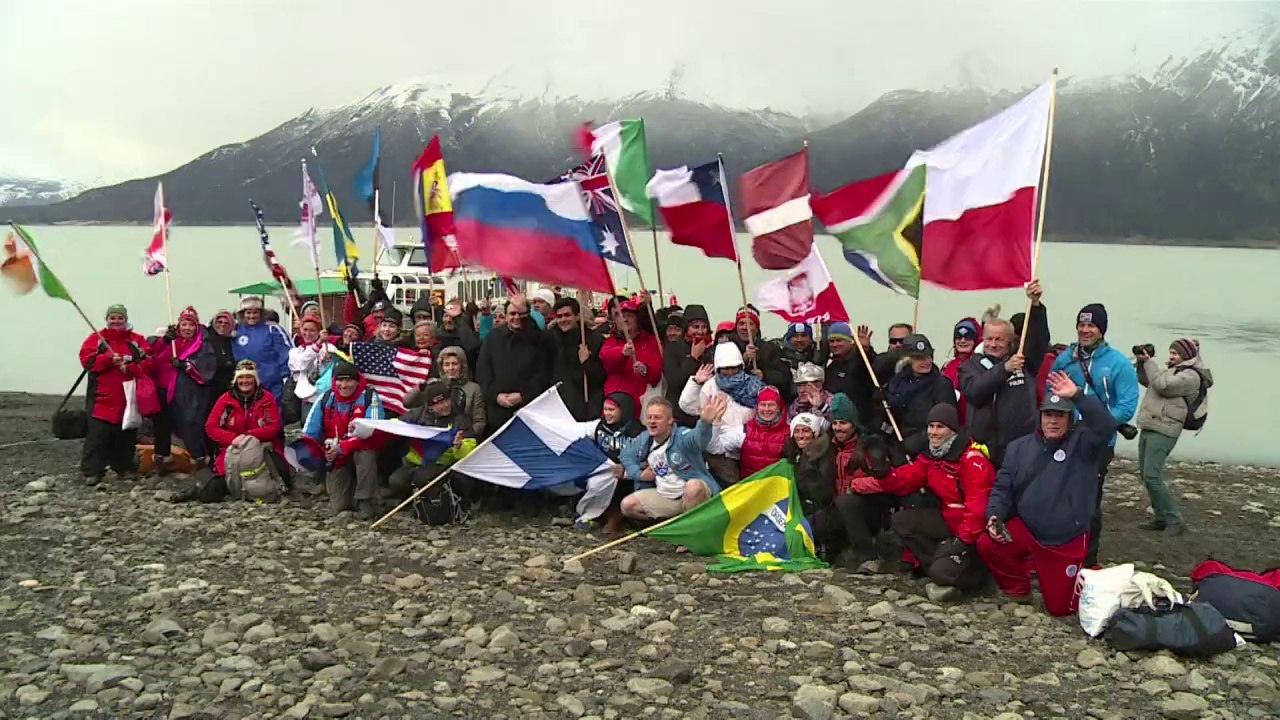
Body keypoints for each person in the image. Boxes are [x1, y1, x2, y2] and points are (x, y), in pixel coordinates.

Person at [978, 371, 1118, 616]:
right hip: (1028, 530)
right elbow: (1002, 487)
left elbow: (1106, 426)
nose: (1053, 421)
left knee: (1060, 609)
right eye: (1048, 415)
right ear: (1040, 416)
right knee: (989, 544)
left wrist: (1077, 395)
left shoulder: (1084, 443)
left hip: (1064, 539)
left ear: (1070, 418)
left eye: (1060, 416)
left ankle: (1095, 579)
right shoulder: (1018, 447)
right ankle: (1018, 589)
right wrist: (994, 515)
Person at [855, 404, 995, 595]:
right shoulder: (933, 457)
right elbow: (904, 480)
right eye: (931, 426)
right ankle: (941, 564)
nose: (933, 432)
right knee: (902, 521)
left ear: (953, 430)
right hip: (950, 522)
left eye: (940, 427)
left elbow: (978, 510)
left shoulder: (972, 461)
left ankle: (976, 575)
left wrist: (961, 541)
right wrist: (883, 472)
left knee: (943, 571)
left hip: (975, 534)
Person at [1047, 303, 1139, 565]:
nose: (1085, 330)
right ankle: (1058, 549)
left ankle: (1088, 559)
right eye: (1082, 325)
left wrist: (1098, 423)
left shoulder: (1119, 363)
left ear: (1102, 330)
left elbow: (1126, 406)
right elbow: (1050, 394)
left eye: (1091, 326)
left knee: (1089, 499)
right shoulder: (1065, 360)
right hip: (1066, 438)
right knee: (1058, 493)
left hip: (1099, 442)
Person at [806, 393, 897, 569]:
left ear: (854, 424)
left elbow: (887, 481)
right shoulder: (828, 447)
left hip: (870, 510)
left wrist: (856, 486)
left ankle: (869, 557)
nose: (838, 428)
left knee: (846, 502)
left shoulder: (870, 446)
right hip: (839, 508)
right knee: (806, 525)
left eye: (843, 423)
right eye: (835, 423)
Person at [1134, 338, 1211, 538]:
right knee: (1146, 475)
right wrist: (1142, 364)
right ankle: (1160, 517)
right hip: (1151, 423)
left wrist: (1149, 362)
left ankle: (1174, 519)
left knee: (1152, 475)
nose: (1171, 356)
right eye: (1171, 352)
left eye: (1175, 353)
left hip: (1165, 428)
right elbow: (1149, 382)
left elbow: (1163, 386)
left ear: (1185, 355)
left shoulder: (1191, 376)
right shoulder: (1173, 370)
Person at [78, 304, 152, 485]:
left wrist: (130, 367)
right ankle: (92, 472)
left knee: (126, 436)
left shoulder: (137, 340)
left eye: (120, 318)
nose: (116, 321)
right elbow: (86, 360)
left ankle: (124, 468)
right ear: (107, 319)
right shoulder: (97, 339)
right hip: (101, 398)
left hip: (129, 399)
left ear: (126, 320)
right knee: (97, 437)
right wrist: (108, 359)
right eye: (113, 318)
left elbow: (149, 362)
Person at [302, 360, 385, 517]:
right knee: (340, 507)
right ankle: (350, 491)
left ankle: (366, 500)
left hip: (361, 448)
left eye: (349, 380)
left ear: (357, 381)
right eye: (340, 380)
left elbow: (372, 430)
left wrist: (342, 447)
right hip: (336, 455)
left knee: (365, 454)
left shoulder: (369, 397)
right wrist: (319, 451)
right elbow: (309, 432)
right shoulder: (326, 398)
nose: (344, 385)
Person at [619, 395, 723, 521]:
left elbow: (698, 440)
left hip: (692, 495)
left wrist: (705, 423)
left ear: (670, 420)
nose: (652, 421)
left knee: (694, 487)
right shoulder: (644, 438)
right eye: (649, 417)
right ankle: (667, 524)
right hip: (666, 496)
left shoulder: (682, 436)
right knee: (627, 505)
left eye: (657, 417)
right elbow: (625, 455)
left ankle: (691, 527)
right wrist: (638, 474)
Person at [959, 318, 1038, 467]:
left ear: (1010, 341)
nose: (993, 344)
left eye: (999, 339)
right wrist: (1004, 369)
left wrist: (1037, 309)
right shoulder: (969, 366)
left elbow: (1038, 339)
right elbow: (975, 392)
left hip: (1019, 446)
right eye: (989, 339)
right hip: (986, 449)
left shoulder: (1023, 361)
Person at [201, 360, 284, 500]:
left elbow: (274, 427)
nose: (245, 381)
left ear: (255, 379)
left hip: (262, 448)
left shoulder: (266, 399)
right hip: (232, 449)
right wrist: (232, 438)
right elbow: (211, 427)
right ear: (236, 380)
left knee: (279, 474)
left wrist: (247, 437)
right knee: (214, 488)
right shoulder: (225, 400)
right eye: (241, 377)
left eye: (249, 377)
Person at [680, 343, 761, 486]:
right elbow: (687, 406)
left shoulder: (753, 383)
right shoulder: (710, 386)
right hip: (720, 447)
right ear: (718, 368)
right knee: (732, 486)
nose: (730, 372)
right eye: (725, 368)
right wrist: (696, 383)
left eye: (734, 367)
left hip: (748, 442)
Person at [149, 306, 217, 473]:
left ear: (196, 326)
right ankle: (162, 459)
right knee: (162, 426)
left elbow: (206, 368)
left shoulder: (202, 344)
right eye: (184, 324)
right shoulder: (171, 341)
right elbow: (152, 358)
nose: (187, 328)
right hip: (163, 389)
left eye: (191, 325)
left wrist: (185, 365)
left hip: (188, 393)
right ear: (178, 326)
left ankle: (198, 460)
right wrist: (165, 341)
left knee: (190, 424)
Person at [387, 379, 476, 503]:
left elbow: (470, 450)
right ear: (430, 407)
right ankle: (410, 499)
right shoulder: (417, 415)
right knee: (395, 481)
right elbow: (395, 425)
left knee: (422, 478)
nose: (445, 405)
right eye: (439, 403)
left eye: (447, 400)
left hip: (443, 465)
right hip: (415, 462)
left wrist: (459, 446)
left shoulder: (460, 419)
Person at [475, 293, 553, 431]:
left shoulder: (538, 339)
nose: (516, 317)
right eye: (512, 313)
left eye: (520, 314)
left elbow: (543, 373)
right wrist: (495, 395)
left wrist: (523, 395)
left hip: (529, 410)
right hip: (498, 412)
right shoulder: (493, 337)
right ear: (506, 316)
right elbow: (483, 371)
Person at [882, 334, 958, 457]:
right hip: (896, 445)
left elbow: (945, 424)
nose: (926, 362)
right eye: (919, 358)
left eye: (928, 356)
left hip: (925, 450)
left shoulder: (942, 385)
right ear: (908, 360)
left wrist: (911, 445)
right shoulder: (897, 382)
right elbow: (891, 418)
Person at [580, 392, 645, 536]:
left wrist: (625, 467)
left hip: (627, 475)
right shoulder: (600, 426)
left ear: (623, 410)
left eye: (611, 410)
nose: (607, 413)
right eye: (605, 409)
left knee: (617, 484)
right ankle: (594, 514)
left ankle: (615, 518)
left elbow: (643, 458)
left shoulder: (637, 432)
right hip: (604, 469)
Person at [706, 386, 790, 482]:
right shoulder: (744, 430)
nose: (766, 409)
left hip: (778, 487)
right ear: (757, 407)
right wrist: (716, 422)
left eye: (771, 405)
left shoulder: (790, 432)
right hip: (750, 486)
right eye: (763, 405)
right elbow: (715, 448)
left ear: (779, 407)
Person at [599, 298, 663, 416]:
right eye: (620, 316)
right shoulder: (611, 341)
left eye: (629, 316)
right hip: (615, 406)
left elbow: (658, 372)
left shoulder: (651, 341)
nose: (624, 319)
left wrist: (645, 369)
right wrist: (621, 353)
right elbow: (605, 358)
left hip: (641, 409)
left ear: (637, 319)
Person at [409, 345, 487, 438]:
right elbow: (408, 403)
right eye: (447, 364)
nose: (451, 368)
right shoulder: (434, 384)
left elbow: (479, 422)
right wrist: (421, 386)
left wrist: (464, 435)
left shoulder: (474, 388)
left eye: (455, 364)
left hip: (462, 439)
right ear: (441, 367)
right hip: (435, 437)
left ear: (462, 366)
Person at [547, 297, 605, 421]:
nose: (563, 319)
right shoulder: (551, 338)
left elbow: (600, 376)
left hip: (585, 403)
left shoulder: (593, 339)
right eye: (559, 316)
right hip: (558, 404)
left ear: (578, 316)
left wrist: (586, 362)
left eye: (567, 315)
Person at [232, 296, 292, 412]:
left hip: (271, 386)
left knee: (272, 415)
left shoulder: (272, 329)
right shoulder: (236, 330)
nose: (251, 316)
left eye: (255, 312)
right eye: (248, 312)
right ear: (243, 314)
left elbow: (287, 353)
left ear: (261, 313)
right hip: (245, 386)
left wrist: (286, 377)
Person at [662, 304, 712, 427]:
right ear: (686, 328)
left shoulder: (710, 350)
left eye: (704, 327)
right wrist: (693, 358)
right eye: (695, 327)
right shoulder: (673, 348)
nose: (700, 331)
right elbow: (674, 381)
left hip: (702, 412)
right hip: (678, 414)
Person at [784, 413, 835, 521]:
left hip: (815, 513)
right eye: (797, 431)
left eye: (805, 431)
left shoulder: (824, 455)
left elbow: (824, 492)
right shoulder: (791, 453)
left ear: (814, 433)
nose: (800, 435)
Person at [823, 322, 877, 424]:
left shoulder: (859, 360)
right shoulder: (831, 367)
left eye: (839, 340)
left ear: (850, 341)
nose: (835, 345)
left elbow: (870, 366)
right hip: (837, 422)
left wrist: (865, 350)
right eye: (832, 341)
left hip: (860, 422)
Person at [731, 305, 791, 395]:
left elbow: (784, 377)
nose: (745, 327)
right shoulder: (728, 348)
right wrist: (743, 359)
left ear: (757, 328)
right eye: (741, 323)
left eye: (750, 324)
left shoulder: (771, 348)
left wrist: (764, 375)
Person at [942, 318, 980, 422]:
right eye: (958, 337)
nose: (962, 341)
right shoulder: (948, 366)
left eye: (968, 337)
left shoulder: (980, 365)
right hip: (951, 421)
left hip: (972, 421)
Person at [431, 298, 481, 370]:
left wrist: (458, 318)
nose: (449, 320)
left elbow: (472, 348)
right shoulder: (437, 336)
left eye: (452, 317)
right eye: (446, 316)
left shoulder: (468, 335)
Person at [206, 310, 237, 401]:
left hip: (227, 387)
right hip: (209, 387)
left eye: (226, 323)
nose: (222, 325)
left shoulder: (233, 341)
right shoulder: (206, 338)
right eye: (220, 322)